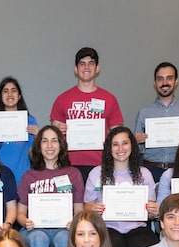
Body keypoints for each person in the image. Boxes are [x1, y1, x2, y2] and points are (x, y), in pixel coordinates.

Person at [84, 126, 159, 247]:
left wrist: (154, 211)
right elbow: (86, 207)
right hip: (107, 227)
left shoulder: (144, 173)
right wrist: (93, 208)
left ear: (132, 145)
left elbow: (149, 214)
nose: (120, 148)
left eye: (125, 143)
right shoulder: (96, 173)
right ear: (109, 148)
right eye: (115, 144)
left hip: (137, 227)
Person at [17, 125, 85, 247]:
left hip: (64, 228)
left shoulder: (73, 173)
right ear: (38, 146)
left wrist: (75, 221)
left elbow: (79, 210)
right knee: (38, 239)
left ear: (61, 145)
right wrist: (25, 222)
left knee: (64, 239)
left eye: (54, 141)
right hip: (34, 230)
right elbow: (20, 212)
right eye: (44, 141)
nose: (49, 146)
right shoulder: (29, 176)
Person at [50, 47, 124, 180]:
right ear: (75, 69)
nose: (86, 67)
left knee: (97, 201)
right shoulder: (62, 99)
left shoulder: (109, 99)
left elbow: (118, 135)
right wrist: (57, 130)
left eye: (91, 63)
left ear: (97, 68)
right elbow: (54, 136)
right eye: (82, 63)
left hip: (101, 165)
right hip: (69, 164)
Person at [134, 62, 179, 182]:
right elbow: (135, 150)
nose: (164, 83)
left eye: (169, 78)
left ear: (176, 81)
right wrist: (135, 141)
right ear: (155, 83)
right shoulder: (144, 112)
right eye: (160, 79)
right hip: (151, 170)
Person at [0, 77, 39, 183]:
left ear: (19, 96)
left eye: (13, 91)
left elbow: (33, 156)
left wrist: (38, 138)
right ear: (0, 96)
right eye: (5, 91)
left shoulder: (29, 121)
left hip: (22, 178)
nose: (10, 94)